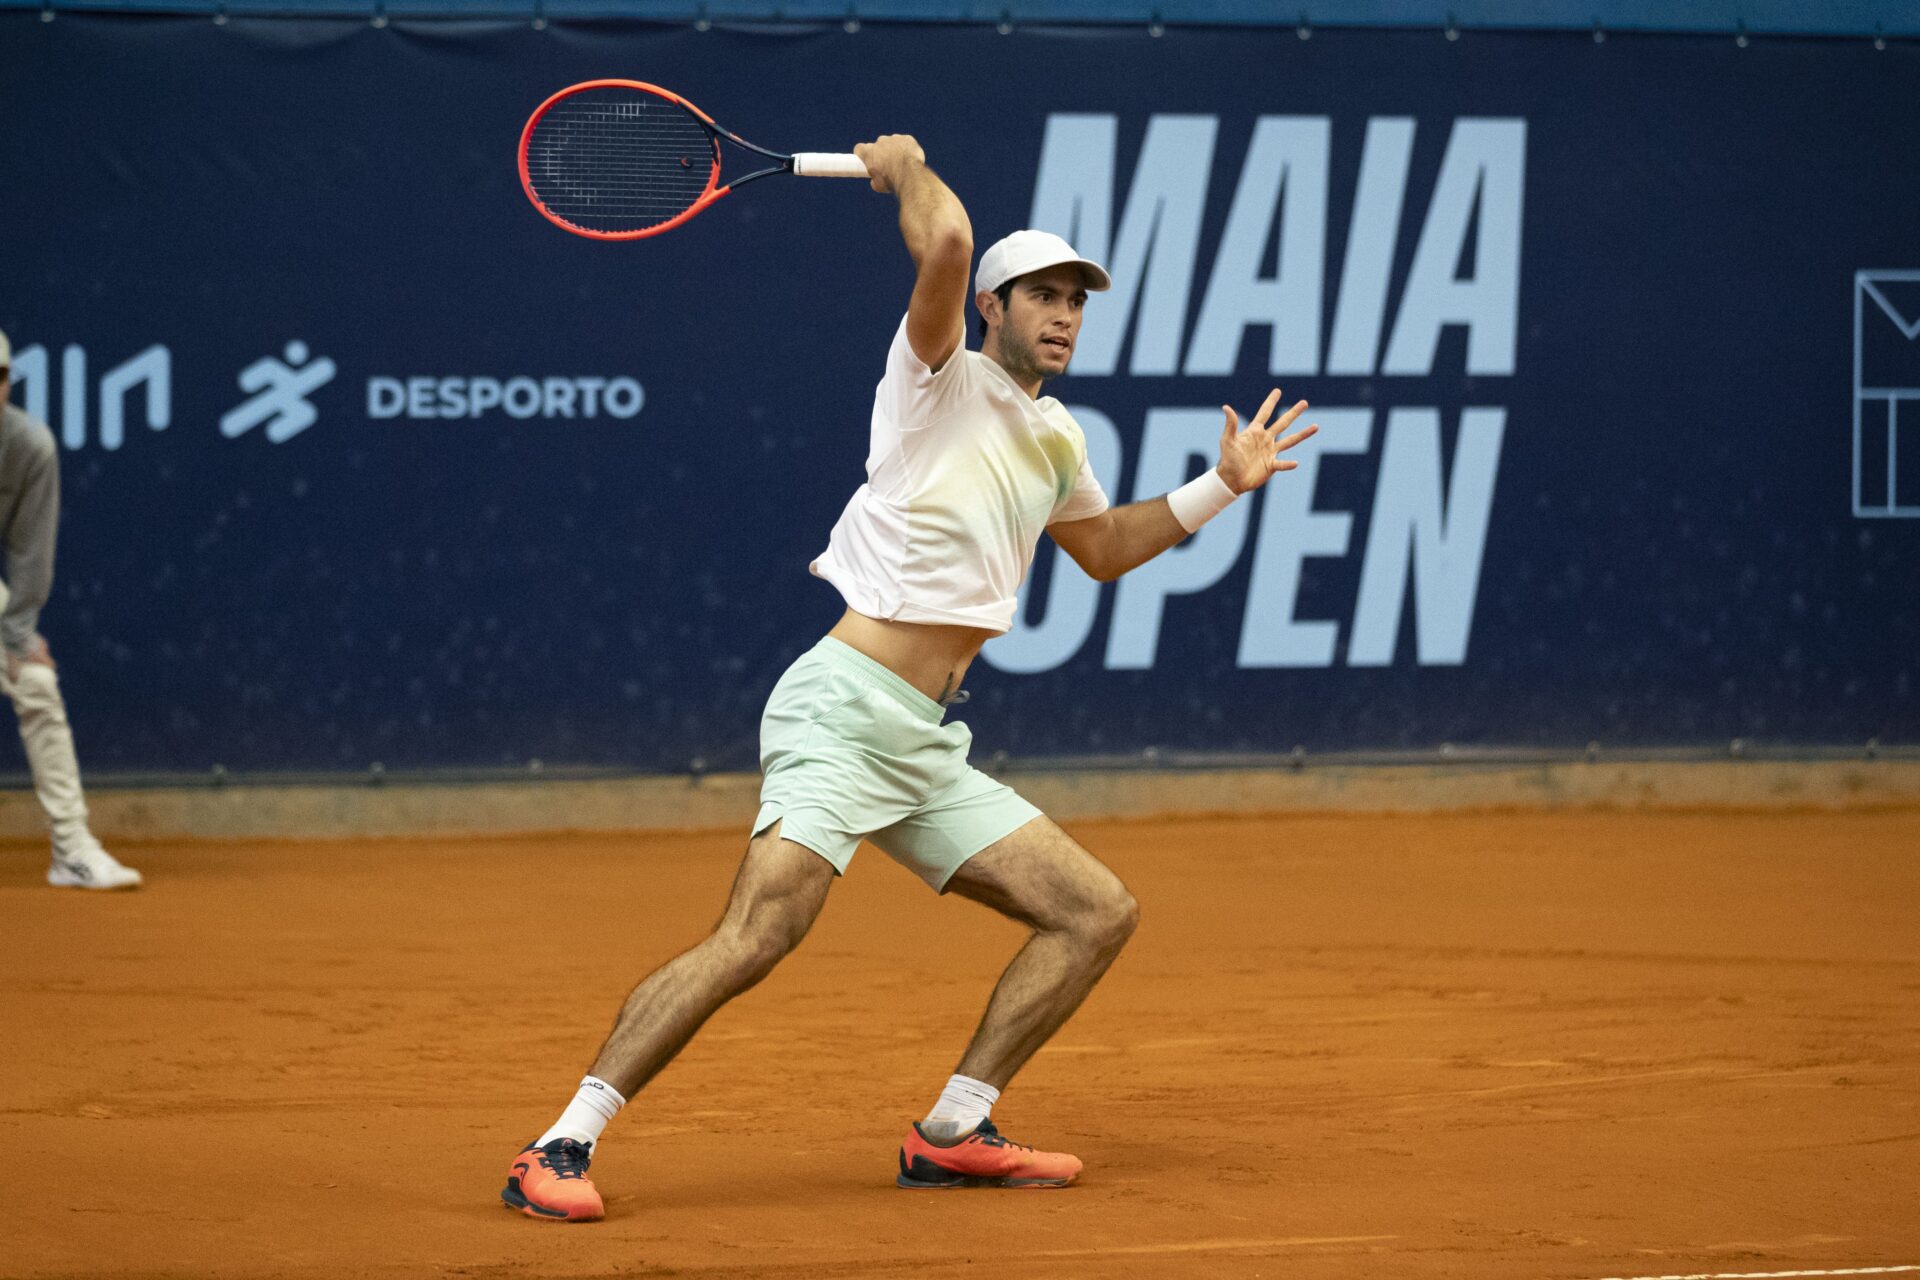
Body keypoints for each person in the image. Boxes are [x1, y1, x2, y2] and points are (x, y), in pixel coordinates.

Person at [501, 135, 1315, 1221]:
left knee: (1094, 912)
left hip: (927, 741)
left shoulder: (1056, 435)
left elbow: (1108, 546)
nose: (1065, 313)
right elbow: (946, 237)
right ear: (991, 305)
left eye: (1078, 298)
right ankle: (560, 1140)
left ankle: (952, 1130)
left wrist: (1221, 484)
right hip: (842, 709)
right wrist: (905, 166)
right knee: (761, 933)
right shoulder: (935, 377)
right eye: (1043, 295)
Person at [0, 330, 142, 890]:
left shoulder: (29, 446)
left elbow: (31, 554)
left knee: (34, 679)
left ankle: (72, 850)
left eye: (1, 377)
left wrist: (16, 637)